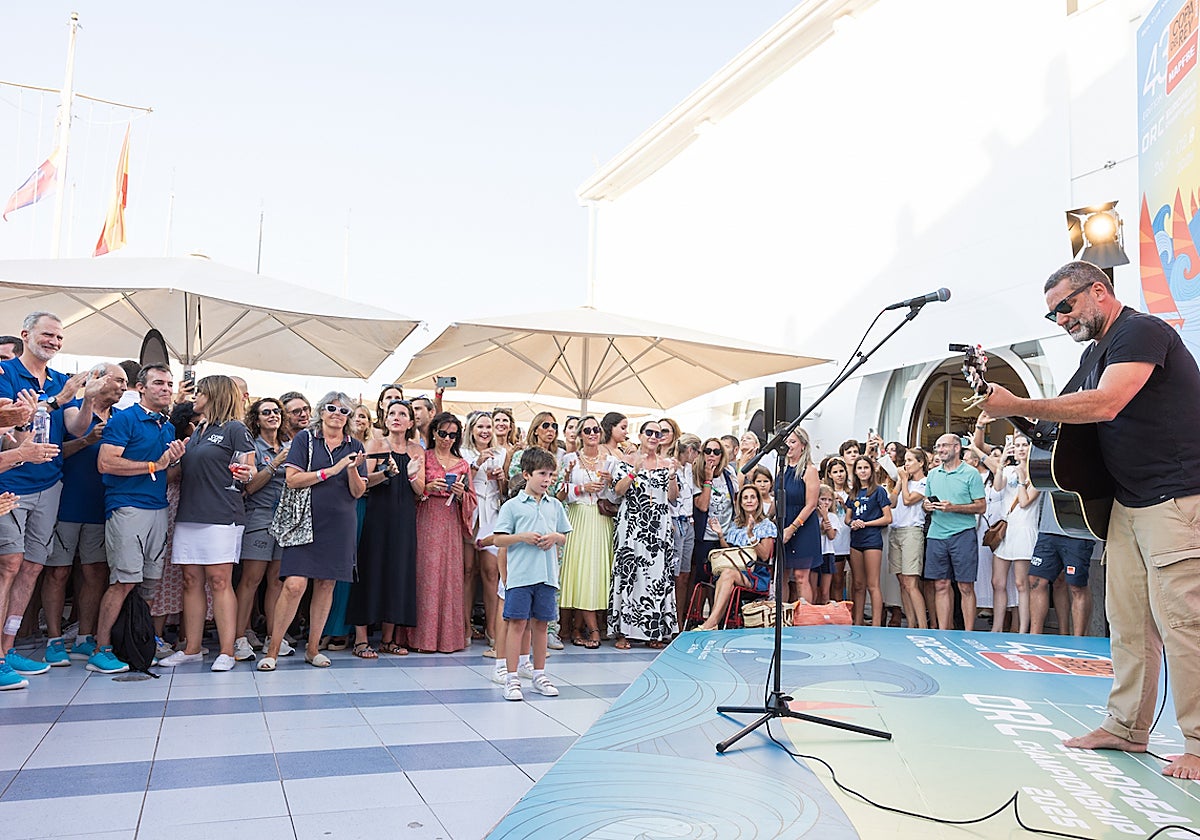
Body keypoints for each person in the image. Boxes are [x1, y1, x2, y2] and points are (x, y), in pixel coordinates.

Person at [982, 260, 1200, 779]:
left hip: (1176, 496)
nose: (1060, 319)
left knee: (1185, 624)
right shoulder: (1093, 352)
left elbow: (1106, 402)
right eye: (1052, 312)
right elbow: (1060, 422)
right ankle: (1127, 727)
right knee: (1127, 622)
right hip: (1127, 502)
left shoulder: (1142, 332)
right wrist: (1011, 411)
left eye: (1065, 306)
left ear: (1098, 292)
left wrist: (1019, 399)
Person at [0, 311, 93, 678]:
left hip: (49, 484)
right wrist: (57, 399)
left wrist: (87, 400)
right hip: (10, 483)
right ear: (26, 334)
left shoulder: (59, 379)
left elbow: (74, 426)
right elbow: (10, 427)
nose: (54, 341)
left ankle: (8, 650)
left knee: (32, 568)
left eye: (59, 337)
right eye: (48, 334)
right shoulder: (6, 374)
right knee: (8, 565)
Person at [87, 365, 187, 675]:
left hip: (157, 508)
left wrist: (179, 462)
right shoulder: (126, 418)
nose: (166, 388)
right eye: (158, 383)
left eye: (170, 384)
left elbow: (164, 473)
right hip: (127, 507)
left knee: (149, 584)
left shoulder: (167, 426)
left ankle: (138, 640)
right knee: (124, 581)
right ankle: (100, 649)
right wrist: (154, 464)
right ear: (140, 387)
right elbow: (106, 463)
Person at [258, 392, 366, 671]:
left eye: (343, 410)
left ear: (349, 417)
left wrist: (352, 470)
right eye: (331, 408)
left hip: (340, 522)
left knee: (327, 584)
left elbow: (358, 491)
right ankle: (272, 650)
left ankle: (313, 648)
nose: (336, 414)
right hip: (304, 521)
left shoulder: (354, 445)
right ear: (322, 411)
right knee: (294, 584)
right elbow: (292, 480)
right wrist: (330, 471)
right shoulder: (304, 439)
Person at [159, 375, 256, 672]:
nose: (194, 397)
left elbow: (250, 467)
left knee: (219, 580)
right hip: (189, 513)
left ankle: (227, 650)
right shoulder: (198, 430)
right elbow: (180, 473)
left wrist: (246, 474)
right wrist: (172, 460)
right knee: (190, 580)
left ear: (214, 395)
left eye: (200, 392)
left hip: (221, 514)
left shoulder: (236, 429)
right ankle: (192, 648)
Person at [46, 363, 127, 666]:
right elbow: (60, 448)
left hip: (101, 505)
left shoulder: (122, 419)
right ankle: (54, 640)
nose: (122, 386)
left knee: (94, 573)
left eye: (125, 381)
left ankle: (84, 637)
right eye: (117, 379)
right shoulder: (73, 409)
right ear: (97, 379)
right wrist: (87, 440)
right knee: (58, 572)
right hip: (67, 501)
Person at [348, 399, 424, 658]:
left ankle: (388, 639)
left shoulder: (416, 449)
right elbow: (364, 483)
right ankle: (361, 639)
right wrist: (387, 473)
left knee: (398, 573)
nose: (397, 417)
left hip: (404, 517)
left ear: (411, 422)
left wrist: (412, 474)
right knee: (371, 571)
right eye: (392, 413)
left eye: (403, 414)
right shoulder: (376, 445)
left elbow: (420, 490)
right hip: (378, 516)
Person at [493, 447, 571, 701]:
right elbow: (500, 540)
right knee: (517, 624)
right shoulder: (512, 506)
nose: (547, 480)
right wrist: (522, 537)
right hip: (520, 577)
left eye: (550, 475)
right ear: (526, 474)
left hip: (547, 576)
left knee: (541, 625)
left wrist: (555, 538)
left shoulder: (555, 506)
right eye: (542, 474)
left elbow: (564, 536)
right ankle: (512, 676)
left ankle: (539, 674)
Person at [232, 397, 292, 662]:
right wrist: (276, 462)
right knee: (251, 580)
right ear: (256, 419)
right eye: (266, 412)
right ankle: (238, 637)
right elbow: (249, 486)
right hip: (259, 516)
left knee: (277, 580)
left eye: (277, 411)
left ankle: (273, 636)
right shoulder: (251, 446)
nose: (273, 415)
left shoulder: (291, 445)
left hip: (286, 519)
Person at [411, 411, 477, 653]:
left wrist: (461, 494)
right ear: (434, 433)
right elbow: (413, 490)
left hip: (450, 523)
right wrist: (427, 487)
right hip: (426, 518)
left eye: (453, 434)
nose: (447, 438)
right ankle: (422, 638)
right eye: (443, 433)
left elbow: (472, 499)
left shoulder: (462, 464)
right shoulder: (424, 457)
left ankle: (448, 638)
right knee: (425, 575)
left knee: (449, 577)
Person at [610, 420, 678, 650]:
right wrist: (634, 471)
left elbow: (672, 497)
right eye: (649, 432)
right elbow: (617, 491)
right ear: (640, 435)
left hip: (658, 527)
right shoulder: (625, 462)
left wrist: (671, 476)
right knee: (630, 575)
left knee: (656, 577)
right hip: (632, 526)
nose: (653, 437)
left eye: (658, 434)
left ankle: (654, 631)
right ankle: (623, 633)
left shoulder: (667, 463)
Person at [558, 416, 619, 648]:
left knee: (598, 573)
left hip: (602, 519)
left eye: (595, 429)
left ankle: (579, 628)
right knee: (578, 572)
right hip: (578, 516)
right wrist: (581, 487)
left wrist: (611, 483)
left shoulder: (611, 461)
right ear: (580, 434)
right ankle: (588, 629)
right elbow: (559, 493)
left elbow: (616, 496)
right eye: (587, 430)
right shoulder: (569, 459)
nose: (592, 433)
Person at [923, 434, 987, 632]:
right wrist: (927, 506)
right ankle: (944, 632)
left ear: (957, 447)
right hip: (936, 534)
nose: (940, 450)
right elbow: (926, 504)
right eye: (937, 446)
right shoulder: (933, 474)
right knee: (940, 585)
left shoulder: (971, 473)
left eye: (944, 446)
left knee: (965, 586)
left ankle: (968, 633)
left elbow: (981, 506)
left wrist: (953, 508)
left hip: (963, 534)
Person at [692, 484, 776, 631]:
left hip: (755, 574)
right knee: (725, 573)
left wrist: (751, 535)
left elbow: (764, 555)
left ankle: (710, 623)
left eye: (752, 497)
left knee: (727, 574)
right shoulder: (735, 525)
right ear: (740, 503)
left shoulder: (765, 525)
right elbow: (729, 553)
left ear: (758, 501)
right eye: (745, 498)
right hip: (734, 570)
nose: (749, 500)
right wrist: (720, 534)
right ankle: (714, 623)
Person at [988, 434, 1039, 633]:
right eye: (1016, 445)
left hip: (1024, 529)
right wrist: (1001, 464)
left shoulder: (1036, 473)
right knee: (997, 581)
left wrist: (1021, 479)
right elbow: (998, 487)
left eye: (1024, 445)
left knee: (1021, 582)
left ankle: (1023, 629)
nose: (1020, 449)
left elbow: (1026, 501)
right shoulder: (1009, 469)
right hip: (1005, 530)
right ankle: (997, 627)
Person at [463, 411, 505, 649]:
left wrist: (501, 478)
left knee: (491, 573)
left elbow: (506, 488)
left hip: (493, 514)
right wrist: (477, 463)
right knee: (468, 571)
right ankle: (465, 627)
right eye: (480, 426)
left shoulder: (502, 453)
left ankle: (493, 627)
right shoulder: (464, 451)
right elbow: (461, 479)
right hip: (471, 512)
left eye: (488, 426)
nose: (485, 431)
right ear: (472, 429)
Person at [1028, 493, 1096, 636]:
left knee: (1077, 586)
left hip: (1079, 529)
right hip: (1048, 528)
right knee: (1036, 580)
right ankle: (1034, 636)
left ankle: (1079, 640)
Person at [845, 456, 892, 626]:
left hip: (872, 540)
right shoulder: (853, 493)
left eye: (866, 467)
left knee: (873, 584)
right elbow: (847, 519)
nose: (863, 471)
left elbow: (888, 518)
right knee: (858, 584)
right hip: (856, 541)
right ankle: (857, 622)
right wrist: (853, 523)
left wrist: (866, 524)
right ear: (855, 471)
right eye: (860, 468)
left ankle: (876, 624)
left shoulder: (878, 491)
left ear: (871, 470)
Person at [887, 447, 928, 629]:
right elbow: (893, 502)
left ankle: (923, 626)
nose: (906, 464)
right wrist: (899, 482)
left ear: (921, 463)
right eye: (906, 460)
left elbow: (909, 500)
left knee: (911, 583)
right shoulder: (904, 481)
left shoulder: (925, 482)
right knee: (902, 582)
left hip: (912, 531)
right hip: (896, 530)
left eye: (910, 460)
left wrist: (904, 480)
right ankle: (910, 624)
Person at [780, 428, 821, 605]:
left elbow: (811, 504)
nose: (788, 445)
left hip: (802, 525)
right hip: (783, 520)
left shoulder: (809, 470)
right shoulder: (781, 469)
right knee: (782, 574)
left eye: (793, 442)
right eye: (787, 442)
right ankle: (781, 618)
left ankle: (805, 620)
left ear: (803, 446)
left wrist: (792, 527)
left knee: (800, 575)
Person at [670, 433, 700, 629]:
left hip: (688, 523)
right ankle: (670, 619)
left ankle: (679, 620)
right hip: (674, 521)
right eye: (698, 451)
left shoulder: (690, 469)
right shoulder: (670, 465)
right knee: (673, 574)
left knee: (684, 575)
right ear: (690, 450)